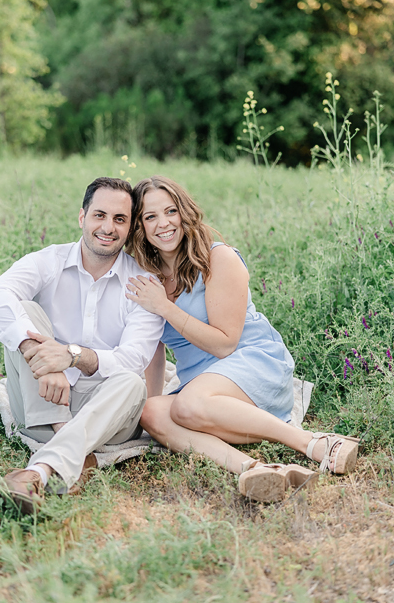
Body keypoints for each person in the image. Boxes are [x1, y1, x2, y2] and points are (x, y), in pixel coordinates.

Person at [126, 175, 359, 502]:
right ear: (140, 227)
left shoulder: (217, 259)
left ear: (185, 213)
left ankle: (312, 443)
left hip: (251, 362)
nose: (163, 223)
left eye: (170, 211)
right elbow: (154, 350)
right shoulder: (147, 277)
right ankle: (256, 469)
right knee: (151, 412)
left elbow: (224, 344)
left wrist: (164, 307)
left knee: (188, 405)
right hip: (203, 385)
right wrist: (151, 409)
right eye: (150, 217)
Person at [0, 177, 165, 514]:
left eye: (120, 220)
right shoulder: (49, 261)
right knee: (26, 313)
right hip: (41, 403)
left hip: (109, 415)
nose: (108, 227)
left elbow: (134, 357)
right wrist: (42, 359)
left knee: (132, 381)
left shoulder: (143, 284)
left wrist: (70, 357)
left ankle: (38, 471)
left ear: (130, 228)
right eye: (100, 215)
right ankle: (78, 453)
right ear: (82, 217)